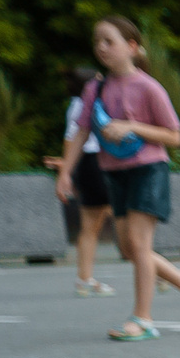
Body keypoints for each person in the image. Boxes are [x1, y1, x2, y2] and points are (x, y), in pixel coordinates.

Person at [57, 16, 180, 343]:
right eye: (97, 41)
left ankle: (143, 319)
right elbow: (82, 131)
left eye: (109, 41)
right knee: (129, 249)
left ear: (131, 47)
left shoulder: (148, 87)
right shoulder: (94, 89)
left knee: (140, 246)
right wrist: (65, 172)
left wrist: (132, 126)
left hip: (148, 170)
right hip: (114, 173)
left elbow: (174, 136)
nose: (101, 47)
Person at [51, 69, 113, 297]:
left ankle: (84, 279)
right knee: (126, 220)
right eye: (97, 79)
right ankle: (160, 274)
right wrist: (65, 172)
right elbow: (70, 139)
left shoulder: (79, 104)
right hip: (94, 163)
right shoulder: (81, 105)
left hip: (89, 164)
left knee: (92, 227)